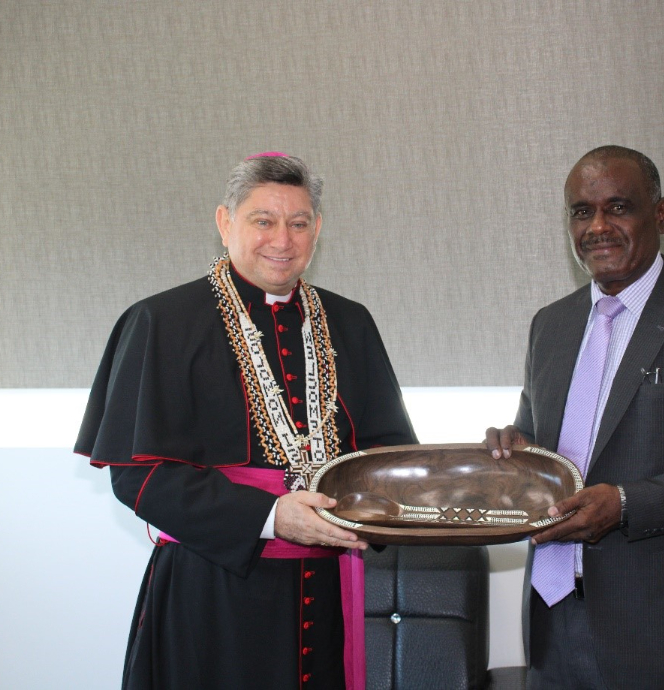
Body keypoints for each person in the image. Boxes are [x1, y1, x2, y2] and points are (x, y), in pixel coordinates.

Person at [76, 153, 417, 689]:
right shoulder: (161, 322)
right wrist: (271, 517)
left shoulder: (350, 322)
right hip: (210, 595)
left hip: (325, 589)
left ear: (318, 229)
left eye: (299, 222)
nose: (282, 239)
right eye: (264, 220)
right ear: (224, 222)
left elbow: (390, 458)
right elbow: (137, 475)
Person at [486, 145, 664, 689]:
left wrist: (624, 504)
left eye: (618, 207)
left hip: (663, 632)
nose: (597, 226)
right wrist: (514, 452)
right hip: (554, 619)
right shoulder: (549, 326)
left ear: (660, 214)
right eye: (581, 211)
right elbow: (547, 444)